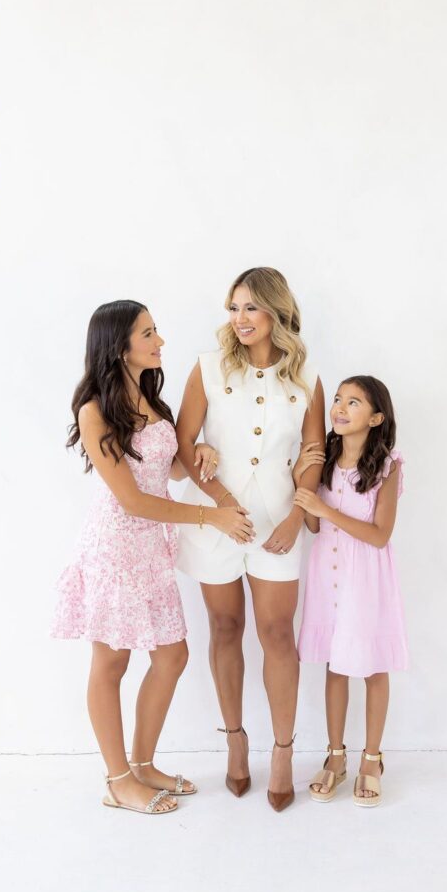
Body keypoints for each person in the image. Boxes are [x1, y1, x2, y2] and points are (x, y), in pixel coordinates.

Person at [52, 299, 254, 816]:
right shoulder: (94, 411)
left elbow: (170, 471)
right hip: (115, 549)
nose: (160, 341)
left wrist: (199, 455)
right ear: (118, 346)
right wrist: (212, 516)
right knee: (111, 661)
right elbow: (134, 500)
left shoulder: (150, 399)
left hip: (152, 550)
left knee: (171, 655)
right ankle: (118, 780)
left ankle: (142, 765)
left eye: (156, 330)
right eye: (148, 334)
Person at [176, 268, 325, 811]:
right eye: (233, 307)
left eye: (250, 308)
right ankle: (235, 741)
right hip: (217, 519)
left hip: (277, 522)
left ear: (276, 312)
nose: (239, 318)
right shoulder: (207, 368)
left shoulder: (307, 379)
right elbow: (184, 444)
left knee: (278, 633)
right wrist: (220, 504)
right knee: (224, 627)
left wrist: (295, 517)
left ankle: (283, 751)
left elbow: (314, 453)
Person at [295, 376, 408, 807]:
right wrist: (299, 480)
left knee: (373, 667)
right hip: (328, 573)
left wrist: (325, 508)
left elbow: (380, 535)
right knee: (335, 664)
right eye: (338, 399)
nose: (339, 408)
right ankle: (336, 755)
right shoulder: (323, 460)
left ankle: (372, 760)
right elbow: (312, 525)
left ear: (376, 418)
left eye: (353, 402)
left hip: (366, 578)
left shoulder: (388, 467)